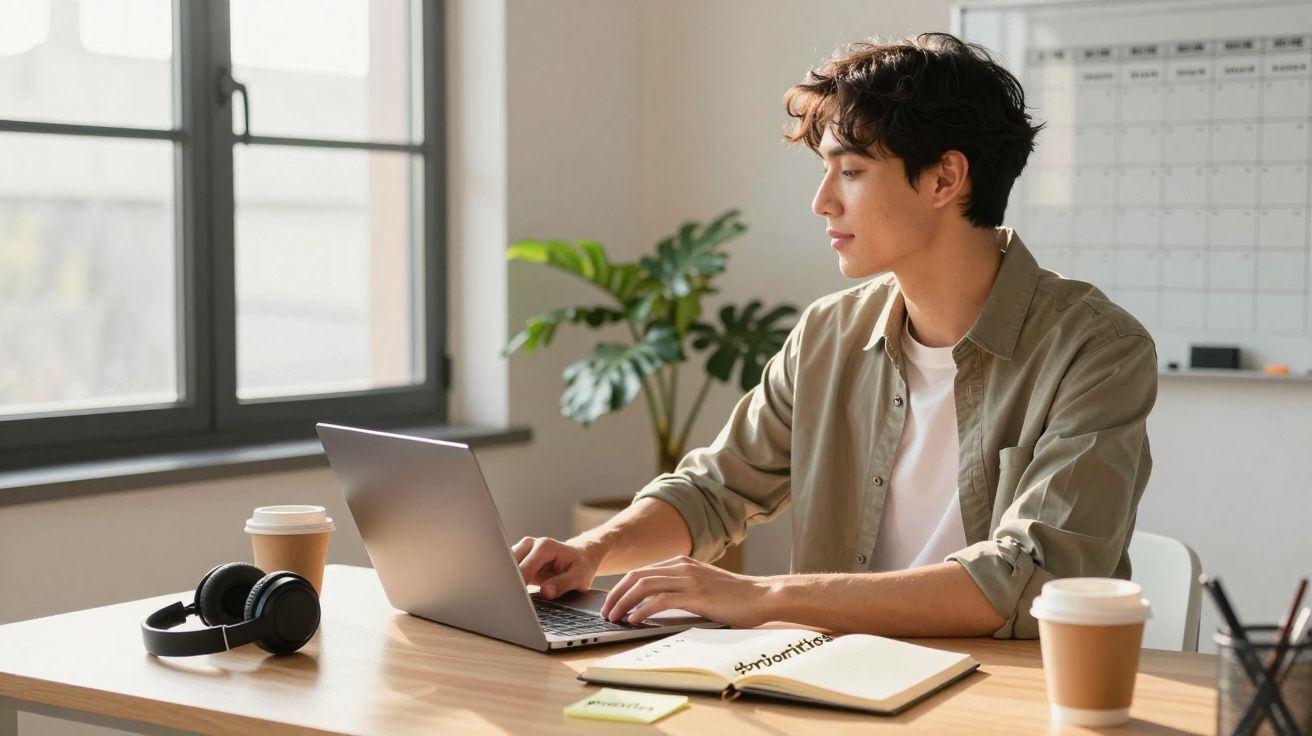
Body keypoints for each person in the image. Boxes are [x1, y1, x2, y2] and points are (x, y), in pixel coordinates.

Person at [512, 32, 1157, 639]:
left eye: (850, 171)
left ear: (944, 179)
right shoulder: (828, 332)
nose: (822, 201)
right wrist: (590, 552)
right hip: (829, 681)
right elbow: (716, 490)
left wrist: (764, 598)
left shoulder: (1096, 351)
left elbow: (1031, 577)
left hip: (1004, 695)